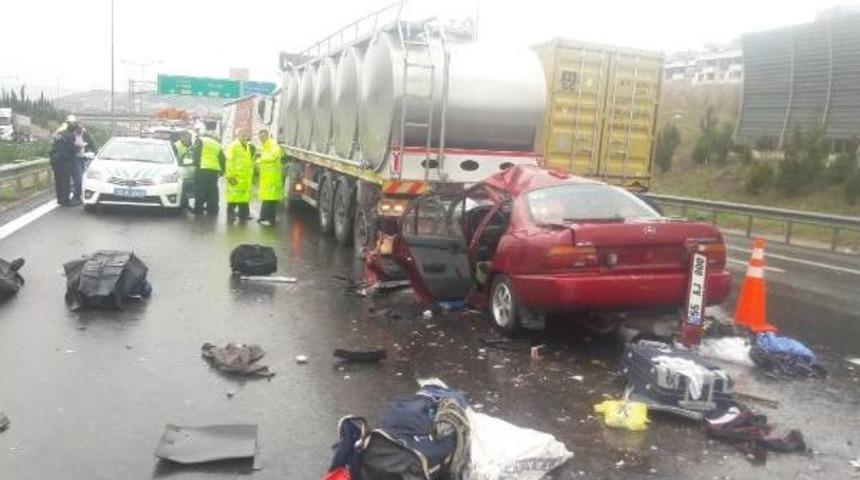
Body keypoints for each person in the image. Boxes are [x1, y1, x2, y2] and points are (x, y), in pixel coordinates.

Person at [224, 129, 255, 221]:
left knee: (244, 196)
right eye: (242, 134)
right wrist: (230, 176)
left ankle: (243, 214)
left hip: (245, 177)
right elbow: (229, 161)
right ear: (237, 135)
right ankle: (230, 214)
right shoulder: (233, 146)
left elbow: (248, 161)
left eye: (245, 134)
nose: (244, 136)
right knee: (233, 197)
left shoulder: (247, 146)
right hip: (235, 176)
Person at [255, 129, 284, 225]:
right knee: (268, 199)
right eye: (260, 137)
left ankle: (265, 217)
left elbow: (275, 155)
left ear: (267, 136)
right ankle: (268, 218)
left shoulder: (272, 144)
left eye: (262, 136)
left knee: (269, 199)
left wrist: (261, 160)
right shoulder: (265, 145)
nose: (261, 138)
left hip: (272, 177)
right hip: (267, 177)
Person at [194, 132, 225, 215]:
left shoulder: (201, 140)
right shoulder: (217, 145)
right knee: (212, 190)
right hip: (214, 170)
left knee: (200, 189)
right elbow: (222, 159)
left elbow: (196, 153)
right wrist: (223, 171)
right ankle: (213, 209)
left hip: (202, 168)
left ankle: (198, 209)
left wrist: (196, 164)